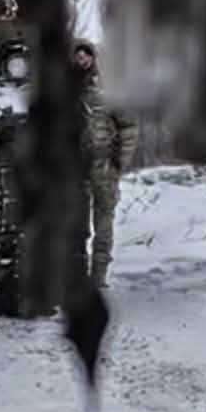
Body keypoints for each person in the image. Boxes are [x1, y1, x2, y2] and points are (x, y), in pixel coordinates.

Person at [72, 39, 139, 289]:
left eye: (85, 54)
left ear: (92, 58)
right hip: (74, 169)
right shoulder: (64, 91)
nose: (81, 59)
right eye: (77, 55)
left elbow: (129, 126)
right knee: (77, 226)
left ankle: (98, 277)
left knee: (103, 223)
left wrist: (121, 161)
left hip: (104, 167)